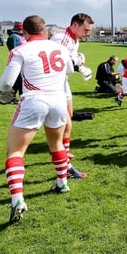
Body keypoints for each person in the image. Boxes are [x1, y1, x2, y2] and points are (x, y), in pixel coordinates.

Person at [0, 15, 74, 223]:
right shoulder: (60, 48)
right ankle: (62, 182)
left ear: (24, 32)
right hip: (58, 99)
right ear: (45, 30)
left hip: (33, 99)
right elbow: (69, 70)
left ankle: (17, 200)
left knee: (15, 151)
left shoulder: (20, 49)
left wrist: (2, 93)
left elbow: (6, 84)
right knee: (56, 143)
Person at [50, 13, 94, 179]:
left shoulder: (74, 40)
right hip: (54, 85)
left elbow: (70, 60)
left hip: (64, 83)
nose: (87, 33)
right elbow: (58, 63)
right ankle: (64, 164)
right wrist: (78, 67)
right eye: (85, 29)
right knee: (65, 124)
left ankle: (63, 153)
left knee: (69, 120)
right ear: (75, 25)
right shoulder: (61, 38)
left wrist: (79, 61)